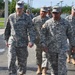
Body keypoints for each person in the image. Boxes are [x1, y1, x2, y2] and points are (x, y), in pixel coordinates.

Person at [40, 6, 75, 75]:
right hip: (51, 49)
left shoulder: (66, 23)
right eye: (53, 13)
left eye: (56, 13)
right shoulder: (48, 23)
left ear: (60, 13)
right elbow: (42, 34)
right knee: (53, 68)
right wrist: (43, 44)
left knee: (62, 68)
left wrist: (73, 45)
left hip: (62, 49)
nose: (54, 15)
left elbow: (70, 35)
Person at [4, 1, 35, 75]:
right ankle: (12, 73)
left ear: (23, 8)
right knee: (11, 59)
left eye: (20, 8)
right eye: (18, 8)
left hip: (23, 43)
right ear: (15, 8)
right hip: (13, 41)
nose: (19, 10)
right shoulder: (11, 17)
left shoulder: (27, 18)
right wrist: (6, 40)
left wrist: (31, 41)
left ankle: (21, 73)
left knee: (22, 62)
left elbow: (31, 30)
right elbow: (7, 29)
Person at [32, 7, 49, 75]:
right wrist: (31, 39)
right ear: (40, 11)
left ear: (47, 12)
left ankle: (44, 70)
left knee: (45, 55)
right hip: (37, 41)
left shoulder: (49, 20)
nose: (43, 13)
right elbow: (31, 30)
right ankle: (39, 68)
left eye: (45, 12)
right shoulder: (35, 20)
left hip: (46, 41)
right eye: (42, 11)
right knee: (38, 55)